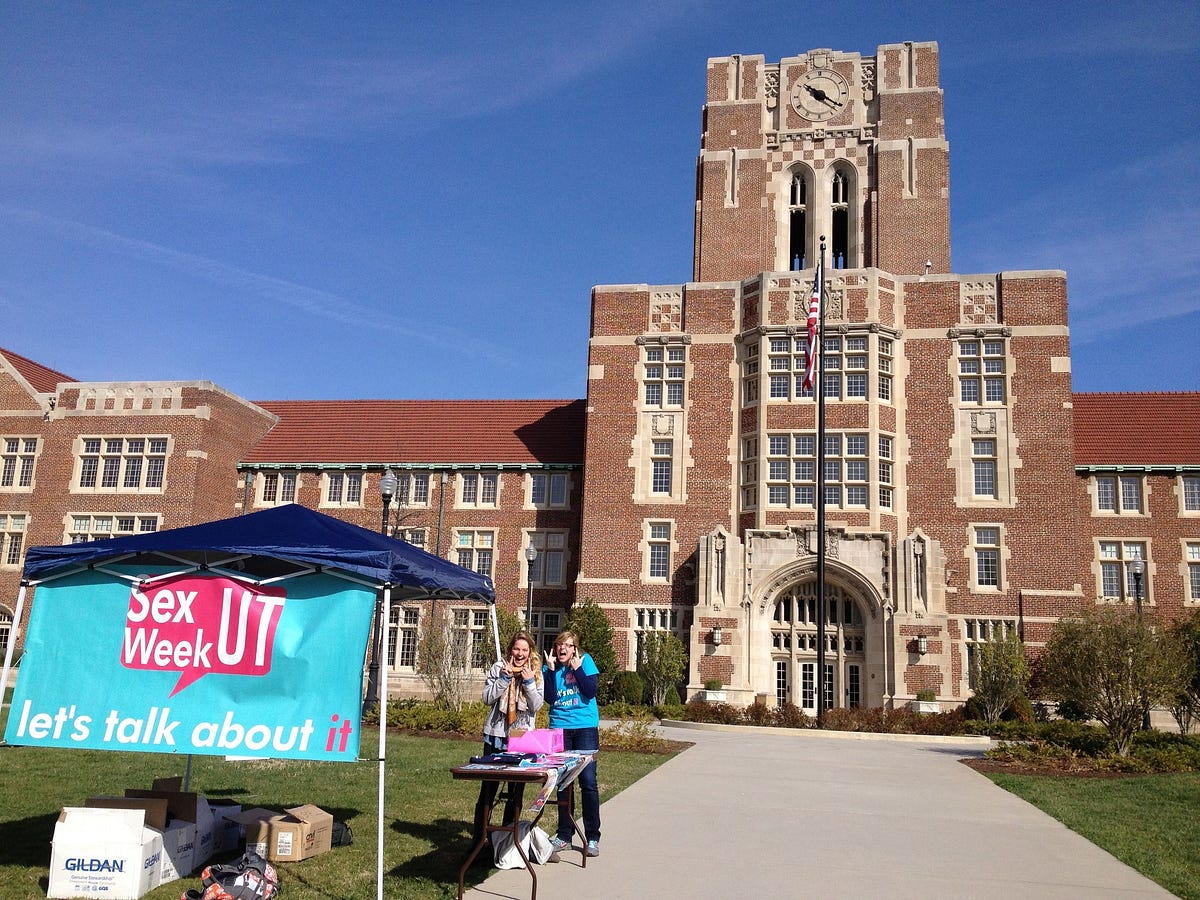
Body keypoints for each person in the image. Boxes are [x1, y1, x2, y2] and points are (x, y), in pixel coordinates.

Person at [472, 631, 544, 852]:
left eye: (524, 650)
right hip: (496, 734)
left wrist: (529, 681)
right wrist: (504, 679)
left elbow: (536, 705)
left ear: (530, 651)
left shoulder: (536, 673)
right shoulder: (498, 668)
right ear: (510, 649)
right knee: (488, 789)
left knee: (516, 792)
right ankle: (479, 839)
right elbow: (487, 698)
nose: (520, 653)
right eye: (516, 649)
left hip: (520, 738)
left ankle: (504, 841)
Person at [542, 629, 601, 858]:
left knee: (587, 782)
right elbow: (550, 698)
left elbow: (590, 691)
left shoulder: (585, 662)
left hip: (585, 727)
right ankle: (564, 835)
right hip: (560, 728)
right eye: (559, 645)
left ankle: (592, 836)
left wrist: (577, 669)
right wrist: (549, 672)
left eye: (567, 645)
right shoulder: (551, 668)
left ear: (575, 648)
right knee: (564, 783)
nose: (562, 648)